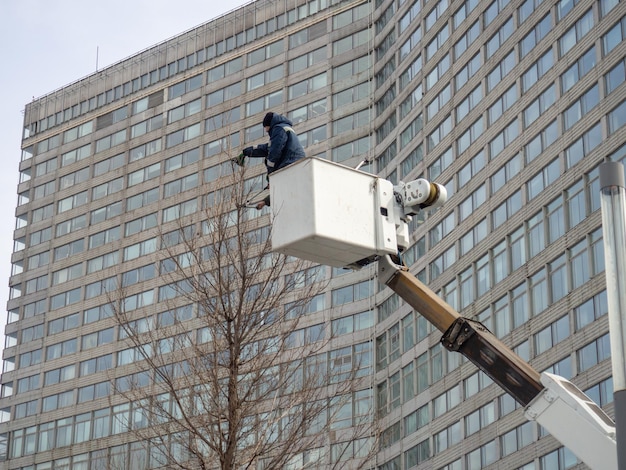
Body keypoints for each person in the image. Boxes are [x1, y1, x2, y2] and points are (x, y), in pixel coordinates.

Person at [236, 112, 306, 209]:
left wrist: (271, 175)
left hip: (291, 162)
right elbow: (266, 148)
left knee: (283, 186)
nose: (265, 130)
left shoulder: (278, 129)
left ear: (269, 125)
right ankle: (266, 201)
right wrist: (246, 152)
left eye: (265, 127)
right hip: (293, 162)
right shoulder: (282, 129)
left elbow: (274, 153)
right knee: (284, 187)